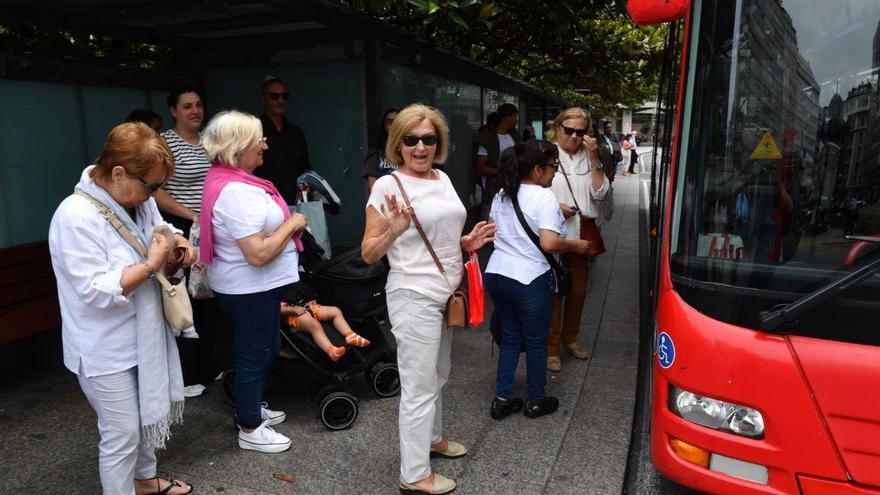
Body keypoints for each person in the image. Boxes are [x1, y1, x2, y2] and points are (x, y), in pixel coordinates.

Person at [48, 122, 195, 495]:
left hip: (143, 334)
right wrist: (149, 264)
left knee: (146, 417)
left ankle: (145, 481)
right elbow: (94, 291)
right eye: (150, 186)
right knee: (121, 433)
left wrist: (178, 242)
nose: (152, 196)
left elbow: (160, 228)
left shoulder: (137, 203)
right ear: (117, 174)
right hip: (103, 347)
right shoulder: (75, 216)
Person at [361, 104, 495, 494]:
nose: (420, 147)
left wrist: (466, 242)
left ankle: (433, 440)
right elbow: (369, 252)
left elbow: (441, 234)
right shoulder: (388, 186)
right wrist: (394, 229)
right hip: (413, 295)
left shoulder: (442, 177)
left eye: (429, 139)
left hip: (447, 292)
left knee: (439, 374)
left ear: (439, 143)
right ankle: (415, 474)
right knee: (419, 386)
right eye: (411, 139)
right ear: (398, 144)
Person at [199, 110, 309, 454]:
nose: (264, 145)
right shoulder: (235, 191)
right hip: (249, 288)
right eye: (257, 140)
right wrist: (292, 224)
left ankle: (251, 406)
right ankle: (249, 426)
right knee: (255, 354)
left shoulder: (234, 181)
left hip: (254, 287)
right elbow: (258, 253)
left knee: (266, 348)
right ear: (237, 147)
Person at [486, 142, 591, 421]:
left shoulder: (501, 194)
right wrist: (576, 246)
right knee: (536, 341)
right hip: (528, 279)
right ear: (537, 169)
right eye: (552, 168)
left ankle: (503, 399)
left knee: (509, 338)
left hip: (497, 274)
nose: (554, 174)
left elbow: (495, 232)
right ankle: (536, 399)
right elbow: (549, 243)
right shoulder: (544, 197)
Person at [156, 87, 220, 398]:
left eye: (198, 105)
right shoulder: (165, 144)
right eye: (186, 106)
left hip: (208, 227)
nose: (194, 111)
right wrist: (191, 215)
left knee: (209, 296)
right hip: (182, 229)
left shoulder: (209, 141)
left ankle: (210, 366)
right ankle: (188, 374)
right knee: (186, 300)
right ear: (173, 110)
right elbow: (156, 191)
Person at [546, 108, 610, 373]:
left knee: (579, 291)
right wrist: (553, 205)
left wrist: (594, 156)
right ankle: (551, 347)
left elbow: (601, 193)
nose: (574, 136)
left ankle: (570, 337)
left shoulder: (589, 156)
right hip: (552, 235)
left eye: (580, 132)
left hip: (581, 236)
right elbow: (530, 189)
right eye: (568, 130)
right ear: (558, 128)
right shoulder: (546, 153)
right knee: (553, 295)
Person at [254, 76, 312, 204]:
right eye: (275, 96)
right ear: (264, 99)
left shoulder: (296, 133)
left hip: (295, 204)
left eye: (285, 96)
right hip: (264, 202)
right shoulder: (254, 131)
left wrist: (306, 189)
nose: (281, 100)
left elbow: (305, 170)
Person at [280, 300, 371, 361]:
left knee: (335, 311)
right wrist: (292, 310)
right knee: (314, 326)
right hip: (293, 315)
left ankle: (350, 335)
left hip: (308, 307)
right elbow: (277, 309)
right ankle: (331, 350)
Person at [476, 103, 522, 218]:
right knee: (490, 219)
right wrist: (504, 171)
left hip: (513, 187)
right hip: (492, 189)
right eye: (515, 116)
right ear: (507, 117)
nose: (516, 120)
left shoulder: (515, 136)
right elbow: (480, 167)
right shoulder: (488, 138)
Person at [363, 107, 400, 192]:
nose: (394, 125)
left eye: (397, 121)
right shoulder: (375, 154)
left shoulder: (411, 151)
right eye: (390, 122)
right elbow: (373, 190)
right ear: (384, 126)